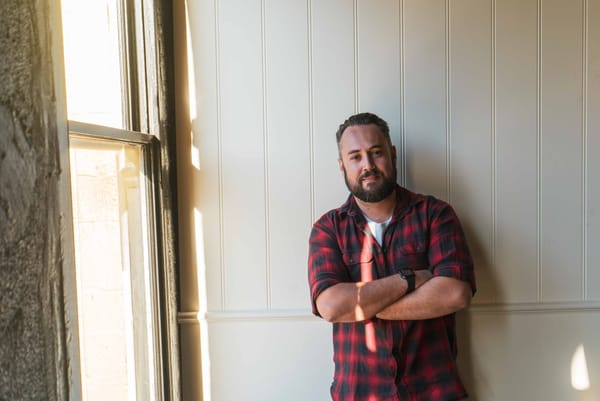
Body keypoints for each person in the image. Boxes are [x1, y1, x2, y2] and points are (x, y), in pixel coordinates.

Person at [308, 112, 476, 401]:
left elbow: (454, 293)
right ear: (342, 165)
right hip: (360, 393)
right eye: (356, 157)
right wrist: (412, 279)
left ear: (392, 154)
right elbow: (332, 306)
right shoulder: (329, 228)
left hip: (433, 391)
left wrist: (367, 307)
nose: (368, 166)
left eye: (376, 153)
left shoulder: (435, 214)